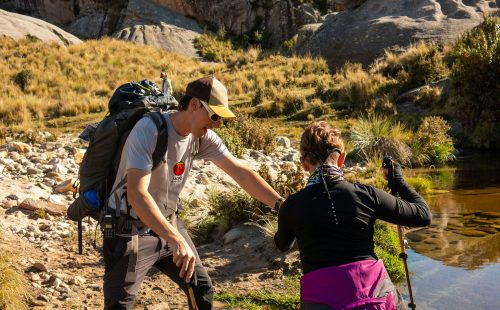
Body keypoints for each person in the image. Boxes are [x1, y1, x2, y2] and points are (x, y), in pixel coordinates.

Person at [104, 76, 284, 309]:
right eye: (215, 116)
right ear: (195, 105)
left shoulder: (201, 137)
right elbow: (137, 195)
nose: (217, 124)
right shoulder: (148, 130)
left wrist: (283, 205)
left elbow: (241, 172)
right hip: (128, 229)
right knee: (119, 305)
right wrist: (176, 239)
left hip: (168, 224)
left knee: (201, 291)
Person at [274, 121, 432, 310]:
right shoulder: (366, 195)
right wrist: (398, 182)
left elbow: (282, 244)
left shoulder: (292, 206)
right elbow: (423, 215)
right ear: (342, 159)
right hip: (376, 298)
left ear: (303, 163)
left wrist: (284, 212)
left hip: (320, 302)